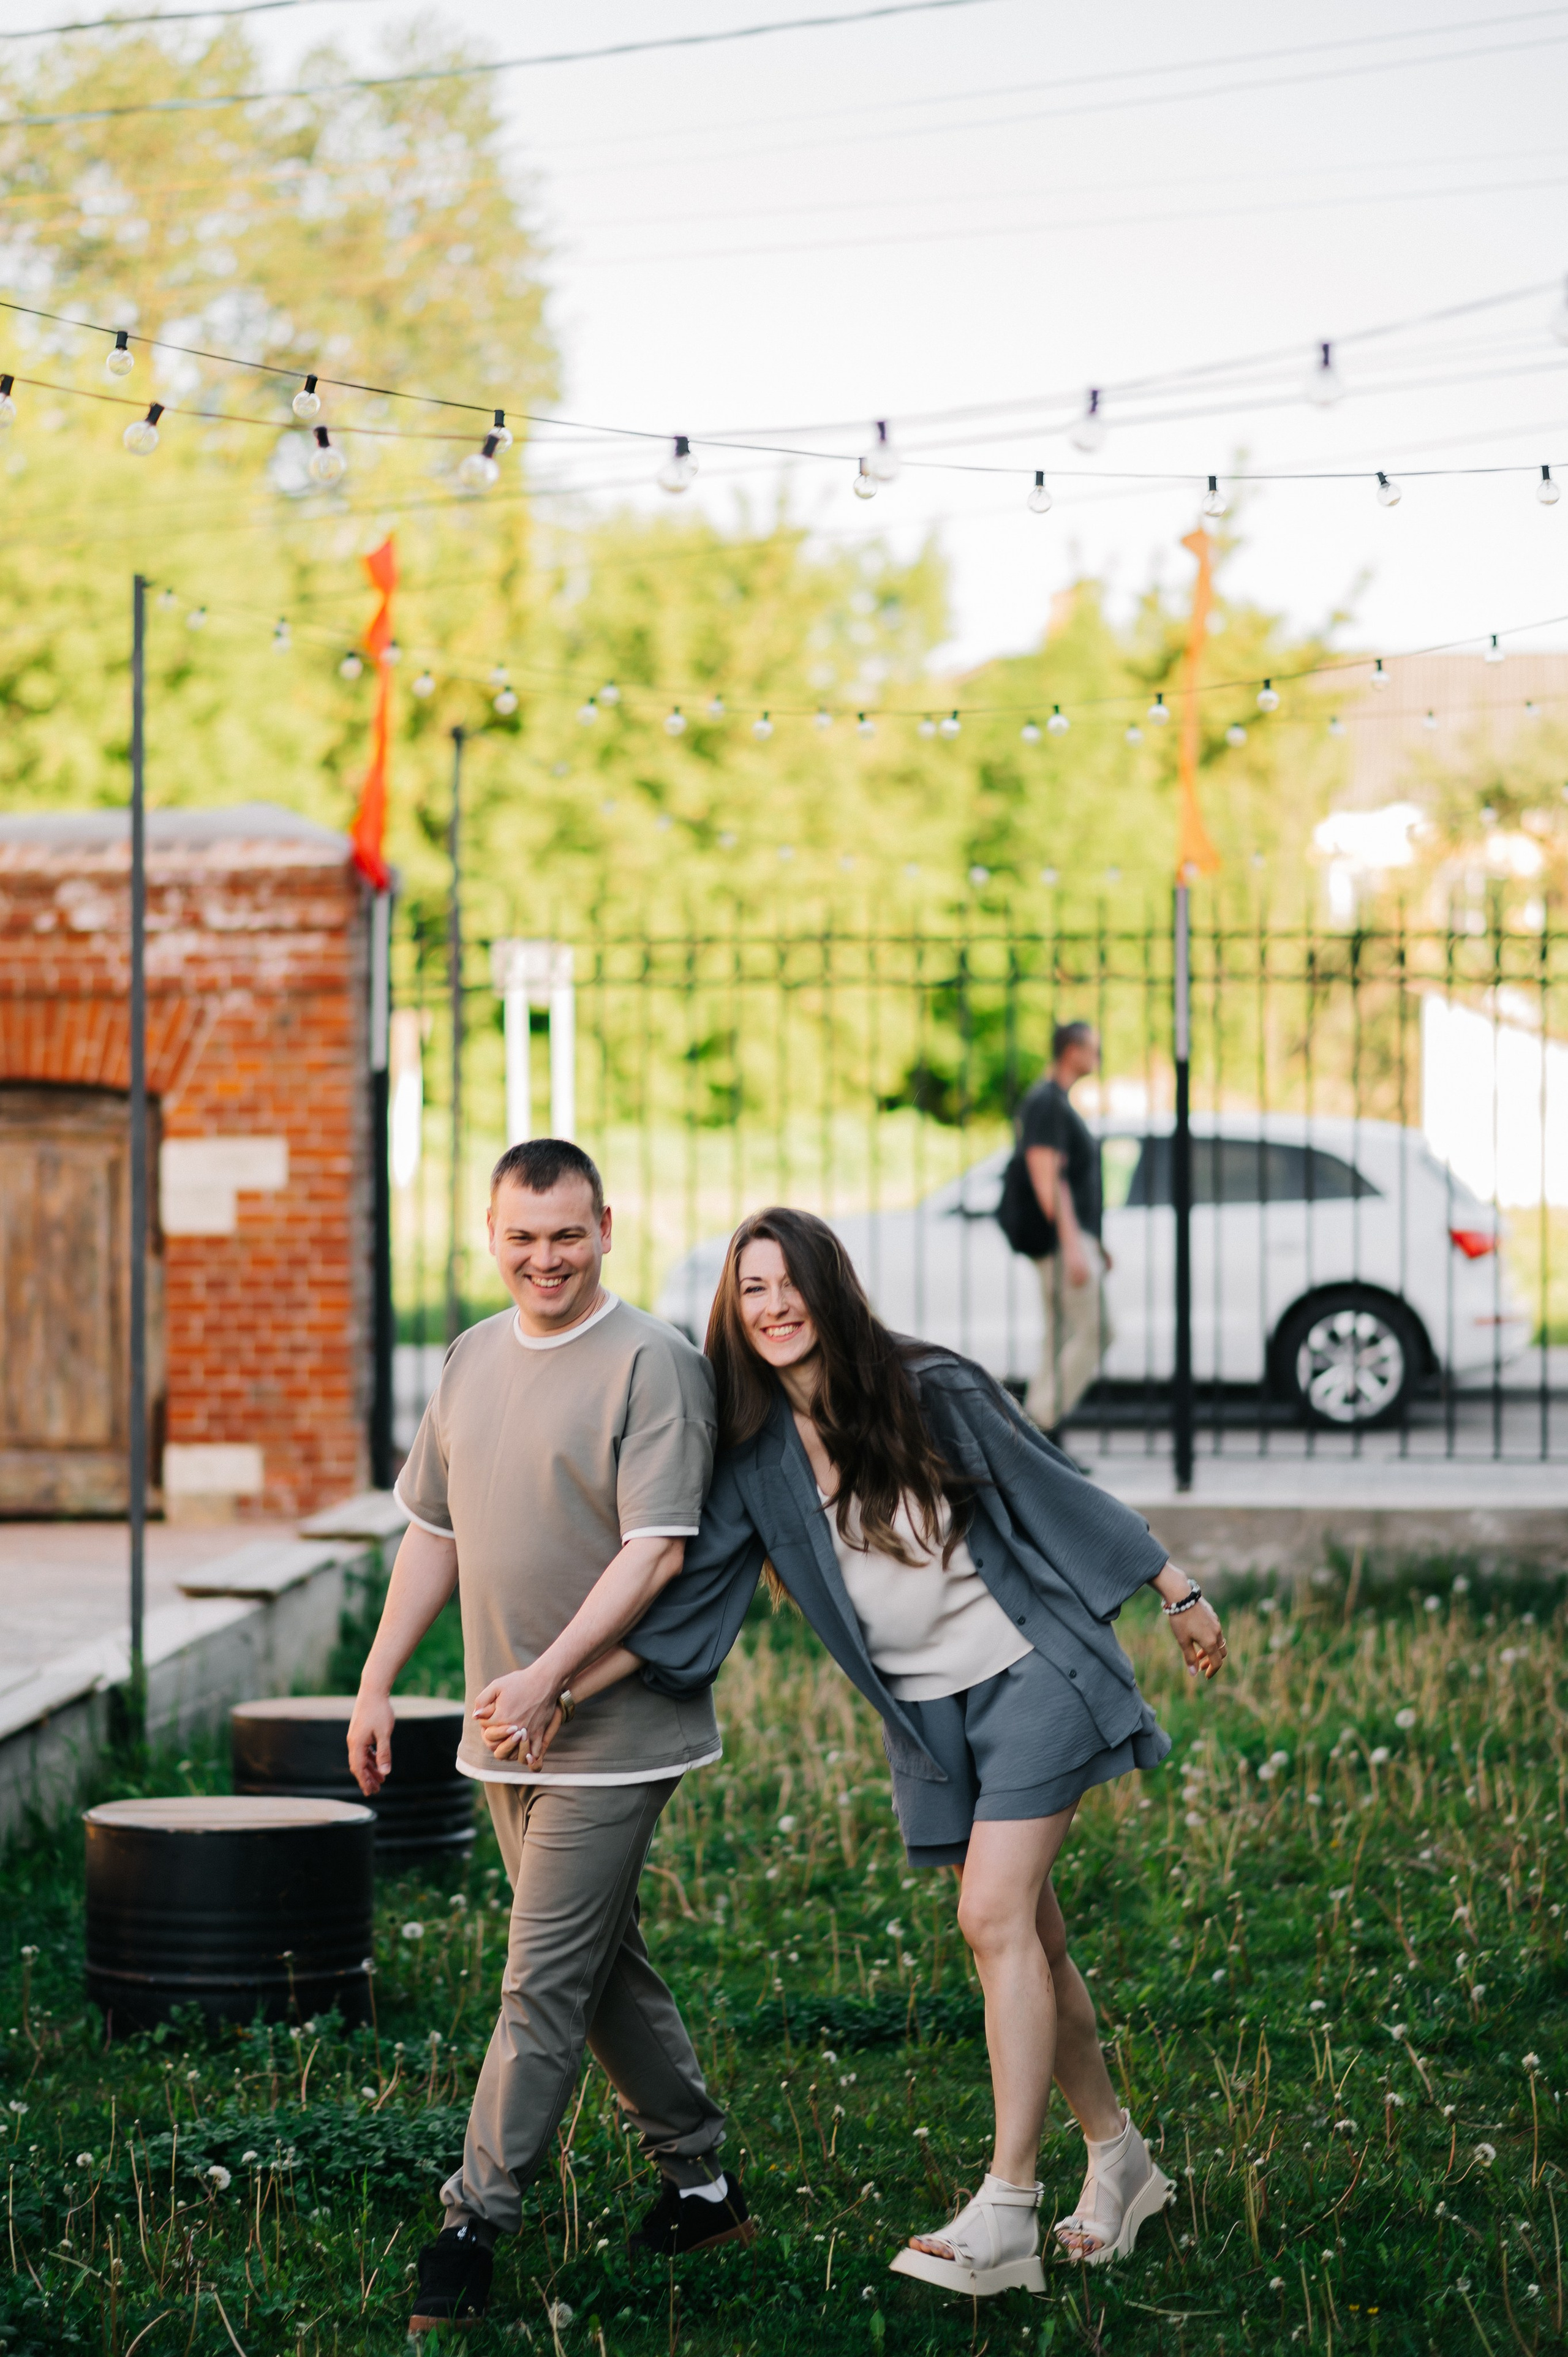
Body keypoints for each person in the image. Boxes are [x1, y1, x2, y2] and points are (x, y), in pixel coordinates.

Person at [508, 1206, 1228, 2300]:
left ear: (828, 1289)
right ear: (733, 1313)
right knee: (1033, 1939)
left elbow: (1052, 1485)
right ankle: (1121, 2159)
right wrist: (556, 1678)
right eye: (752, 1288)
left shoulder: (931, 1386)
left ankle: (1008, 2207)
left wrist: (1174, 1586)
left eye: (791, 1281)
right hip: (931, 1717)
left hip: (1035, 1670)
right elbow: (685, 1602)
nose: (774, 1303)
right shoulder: (752, 1460)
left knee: (991, 1917)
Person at [345, 1138, 753, 2338]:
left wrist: (549, 1678)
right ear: (490, 1233)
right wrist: (376, 1682)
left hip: (613, 1734)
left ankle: (473, 2219)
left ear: (606, 1226)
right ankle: (703, 2181)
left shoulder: (653, 1363)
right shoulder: (471, 1355)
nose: (544, 1258)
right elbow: (433, 1530)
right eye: (521, 1237)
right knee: (592, 1962)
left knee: (539, 1980)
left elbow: (656, 1549)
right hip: (499, 1731)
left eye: (565, 1234)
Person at [1019, 1020, 1114, 1445]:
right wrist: (1074, 1247)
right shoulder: (1048, 1103)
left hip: (1071, 1241)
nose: (1098, 1053)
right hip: (1062, 1245)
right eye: (1093, 1046)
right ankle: (1038, 1423)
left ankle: (1034, 1441)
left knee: (1058, 1339)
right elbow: (1048, 1179)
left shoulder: (1054, 1101)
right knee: (1098, 1330)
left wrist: (1095, 1243)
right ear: (1072, 1050)